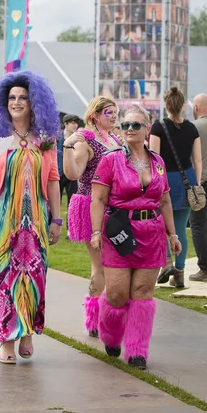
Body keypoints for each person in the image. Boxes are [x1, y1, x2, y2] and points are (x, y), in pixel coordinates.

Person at [0, 71, 61, 364]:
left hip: (35, 217)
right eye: (11, 97)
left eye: (22, 97)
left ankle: (26, 333)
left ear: (33, 102)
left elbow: (53, 179)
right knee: (4, 276)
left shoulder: (45, 139)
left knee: (34, 275)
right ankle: (7, 338)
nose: (16, 102)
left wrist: (56, 219)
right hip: (1, 217)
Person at [90, 104, 181, 369]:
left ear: (147, 129)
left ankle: (137, 350)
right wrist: (96, 231)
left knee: (143, 293)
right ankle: (110, 334)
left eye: (136, 125)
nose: (130, 129)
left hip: (151, 234)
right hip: (120, 231)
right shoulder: (111, 160)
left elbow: (164, 201)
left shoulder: (158, 162)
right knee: (117, 294)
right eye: (126, 125)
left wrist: (172, 235)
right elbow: (98, 198)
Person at [65, 97, 121, 338]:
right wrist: (67, 148)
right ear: (95, 115)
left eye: (116, 112)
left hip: (115, 209)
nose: (114, 116)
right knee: (100, 265)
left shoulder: (115, 139)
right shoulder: (85, 139)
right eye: (109, 112)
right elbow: (73, 173)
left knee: (115, 266)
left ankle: (110, 314)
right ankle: (94, 318)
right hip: (91, 206)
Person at [149, 87, 202, 288]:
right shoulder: (191, 128)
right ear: (183, 106)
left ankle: (168, 263)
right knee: (180, 227)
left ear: (166, 105)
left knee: (162, 227)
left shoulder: (158, 127)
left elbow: (154, 158)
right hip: (187, 178)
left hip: (165, 180)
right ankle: (178, 273)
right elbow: (196, 159)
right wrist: (195, 183)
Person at [189, 95, 207, 281]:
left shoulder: (193, 128)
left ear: (196, 107)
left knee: (197, 224)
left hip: (199, 181)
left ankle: (205, 268)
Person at [57, 114, 80, 235]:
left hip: (72, 174)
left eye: (76, 123)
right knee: (55, 202)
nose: (75, 125)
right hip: (58, 173)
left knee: (72, 203)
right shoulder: (57, 137)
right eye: (72, 122)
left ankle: (70, 230)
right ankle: (53, 227)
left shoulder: (79, 139)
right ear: (65, 124)